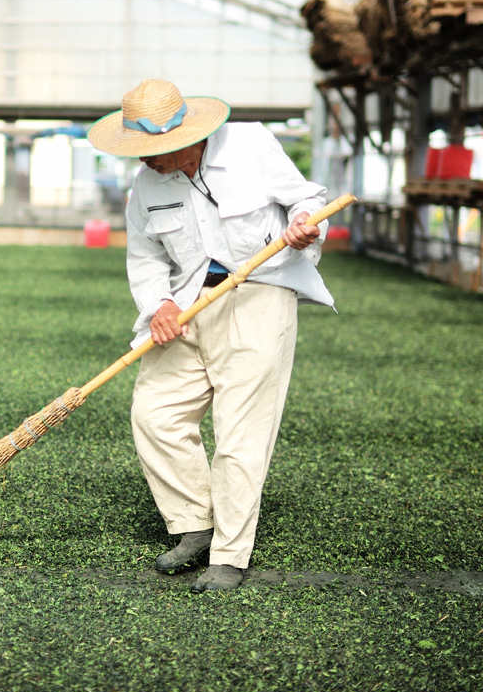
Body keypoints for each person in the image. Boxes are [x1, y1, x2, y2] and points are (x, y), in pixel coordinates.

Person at [87, 79, 334, 592]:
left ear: (186, 139)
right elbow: (146, 256)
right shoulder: (147, 184)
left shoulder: (250, 145)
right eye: (138, 150)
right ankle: (194, 525)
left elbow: (304, 200)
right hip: (189, 302)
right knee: (155, 412)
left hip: (260, 294)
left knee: (241, 430)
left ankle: (229, 554)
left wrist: (305, 224)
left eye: (152, 150)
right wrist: (159, 306)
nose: (145, 160)